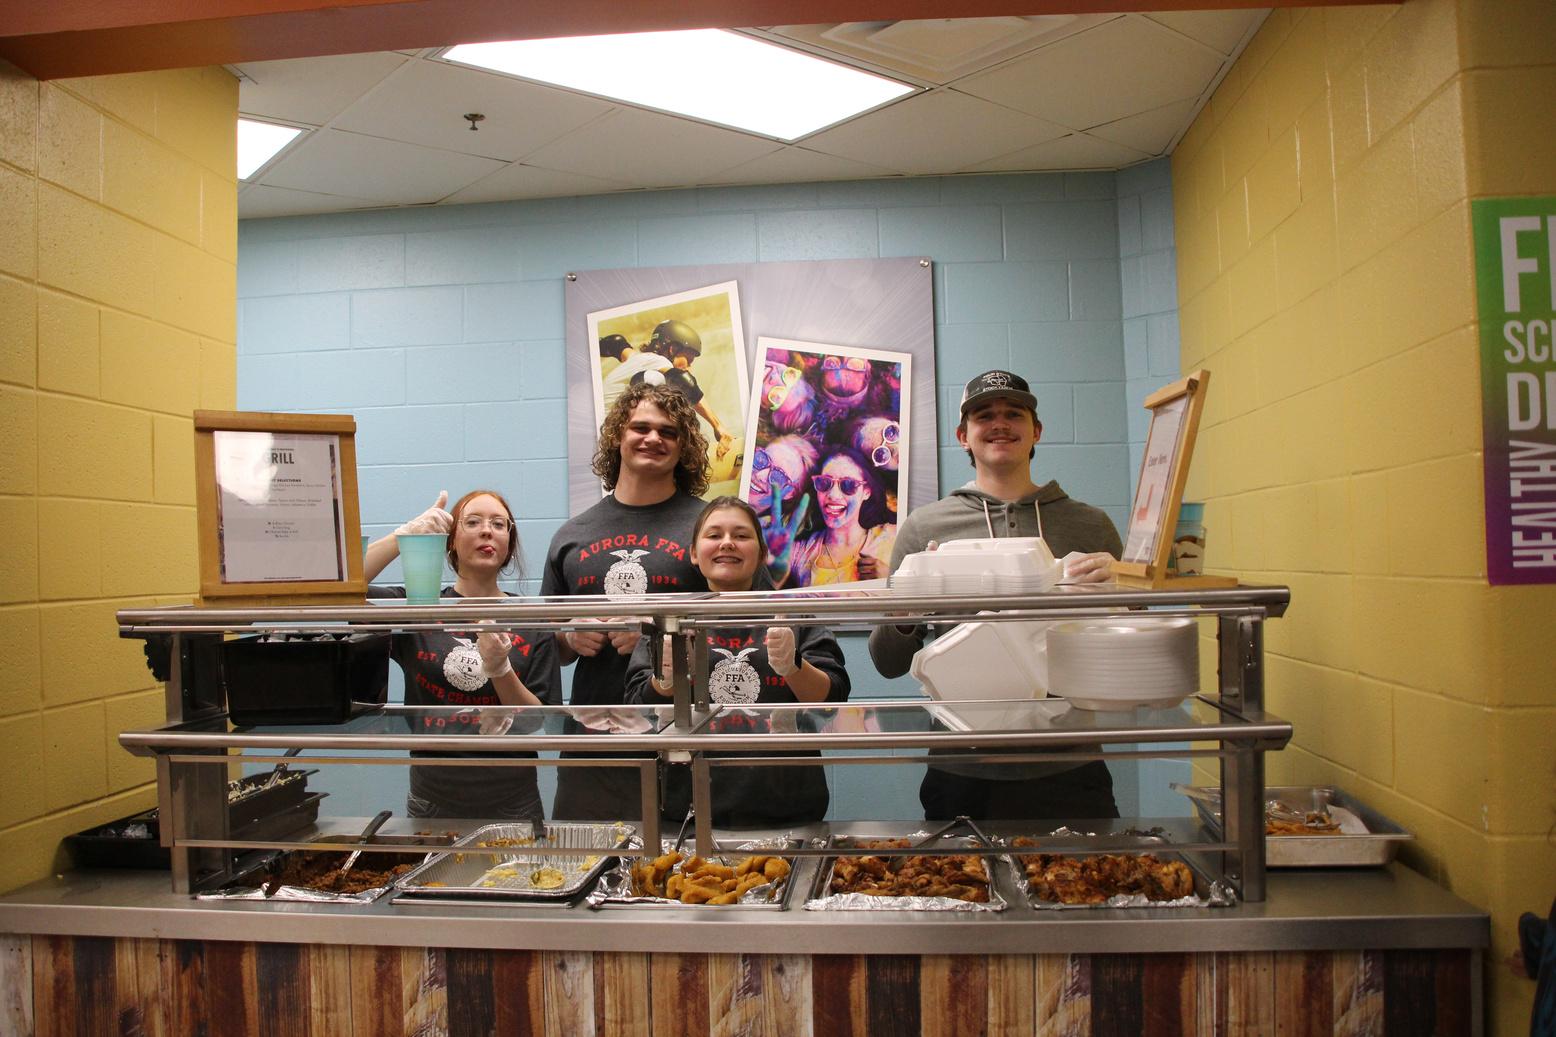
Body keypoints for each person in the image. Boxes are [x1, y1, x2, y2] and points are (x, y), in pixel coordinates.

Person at [867, 369, 1121, 822]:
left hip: (1070, 760)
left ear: (1036, 430)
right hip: (960, 765)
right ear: (963, 436)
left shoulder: (1091, 525)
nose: (999, 424)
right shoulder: (925, 527)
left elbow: (1128, 644)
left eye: (1013, 414)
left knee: (1084, 869)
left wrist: (1121, 592)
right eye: (984, 415)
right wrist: (910, 605)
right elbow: (886, 662)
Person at [625, 497, 849, 827]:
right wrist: (666, 679)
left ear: (762, 553)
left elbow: (831, 702)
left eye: (741, 535)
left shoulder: (793, 614)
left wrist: (793, 667)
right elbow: (636, 710)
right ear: (694, 553)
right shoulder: (670, 620)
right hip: (687, 812)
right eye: (714, 535)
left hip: (787, 808)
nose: (727, 543)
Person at [542, 381, 711, 819]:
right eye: (641, 427)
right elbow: (545, 646)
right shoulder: (571, 535)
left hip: (685, 738)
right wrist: (569, 637)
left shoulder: (711, 529)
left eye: (668, 432)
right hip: (594, 743)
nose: (653, 438)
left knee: (682, 858)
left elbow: (748, 626)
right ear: (618, 435)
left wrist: (654, 640)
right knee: (584, 852)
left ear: (683, 447)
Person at [364, 488, 560, 821]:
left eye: (499, 524)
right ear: (451, 541)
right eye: (472, 522)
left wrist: (500, 669)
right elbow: (344, 588)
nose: (487, 531)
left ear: (509, 543)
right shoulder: (422, 607)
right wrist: (405, 537)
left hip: (514, 801)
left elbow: (534, 721)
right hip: (432, 798)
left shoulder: (531, 621)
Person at [600, 319, 734, 458]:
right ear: (672, 349)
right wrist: (718, 426)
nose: (689, 368)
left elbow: (617, 343)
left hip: (605, 431)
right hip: (607, 442)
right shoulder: (658, 361)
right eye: (688, 361)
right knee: (661, 383)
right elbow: (683, 381)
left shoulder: (636, 358)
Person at [778, 444, 896, 587]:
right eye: (824, 483)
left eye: (848, 485)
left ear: (866, 492)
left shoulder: (892, 537)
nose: (833, 495)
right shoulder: (799, 554)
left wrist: (891, 580)